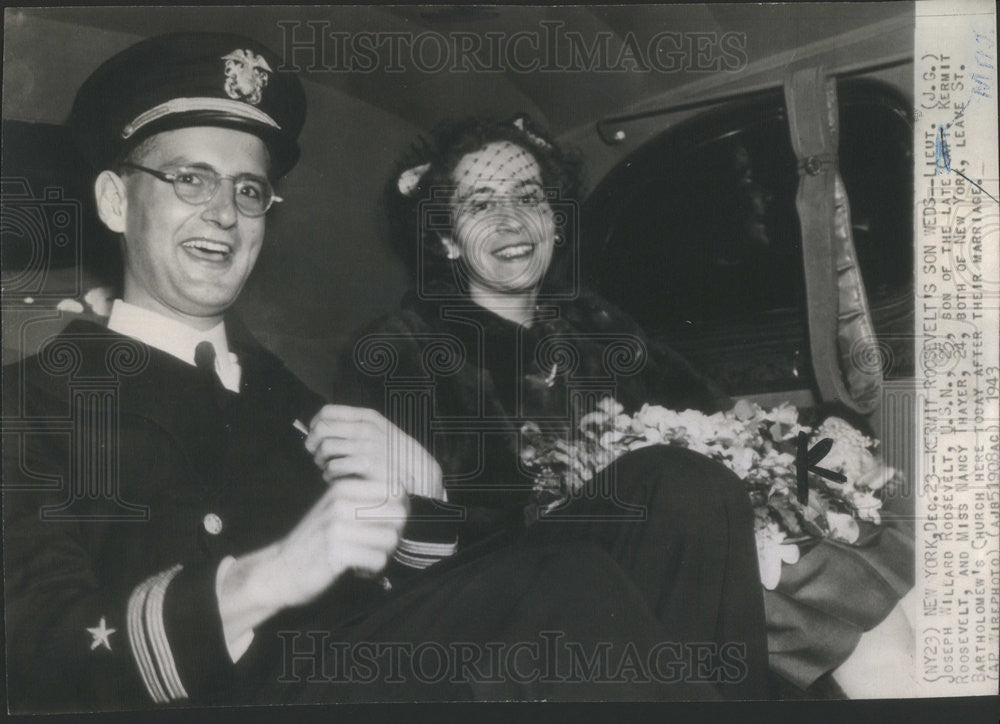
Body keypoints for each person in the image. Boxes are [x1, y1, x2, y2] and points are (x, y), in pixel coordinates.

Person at [3, 36, 754, 711]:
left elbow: (413, 605)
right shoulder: (31, 405)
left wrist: (424, 501)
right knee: (561, 586)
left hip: (363, 674)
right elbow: (42, 656)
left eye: (248, 189)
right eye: (190, 180)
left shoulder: (291, 402)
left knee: (677, 490)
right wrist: (261, 581)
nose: (225, 214)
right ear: (113, 199)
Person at [330, 115, 770, 698]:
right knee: (683, 487)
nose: (511, 221)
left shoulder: (596, 323)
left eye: (529, 197)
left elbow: (708, 410)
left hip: (646, 559)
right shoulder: (398, 352)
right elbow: (392, 560)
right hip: (500, 605)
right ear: (445, 237)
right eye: (480, 204)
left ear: (555, 221)